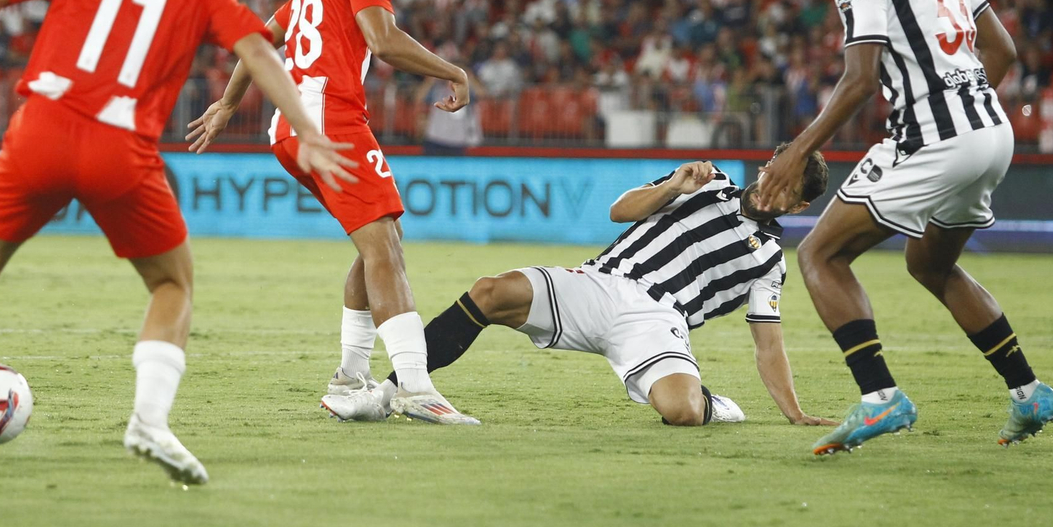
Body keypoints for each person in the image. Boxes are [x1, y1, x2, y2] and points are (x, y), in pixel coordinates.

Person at [0, 0, 355, 487]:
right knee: (172, 285)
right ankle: (148, 420)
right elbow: (258, 48)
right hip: (120, 147)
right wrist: (308, 131)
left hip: (41, 127)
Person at [757, 0, 1053, 456]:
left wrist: (798, 150)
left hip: (933, 139)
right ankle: (1029, 392)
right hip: (991, 134)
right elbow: (1001, 48)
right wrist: (964, 106)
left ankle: (880, 398)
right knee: (929, 265)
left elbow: (859, 79)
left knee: (821, 253)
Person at [188, 0, 478, 424]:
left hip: (292, 126)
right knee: (384, 248)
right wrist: (454, 72)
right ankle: (416, 388)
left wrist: (228, 106)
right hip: (329, 121)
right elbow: (384, 41)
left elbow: (258, 40)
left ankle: (350, 375)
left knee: (380, 241)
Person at [325, 152, 837, 430]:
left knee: (681, 412)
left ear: (795, 207)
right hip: (599, 282)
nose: (773, 184)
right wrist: (672, 185)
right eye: (778, 169)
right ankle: (390, 392)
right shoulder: (705, 179)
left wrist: (793, 412)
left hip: (657, 320)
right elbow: (619, 210)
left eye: (787, 189)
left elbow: (767, 342)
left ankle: (714, 404)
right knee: (490, 291)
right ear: (770, 161)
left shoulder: (769, 262)